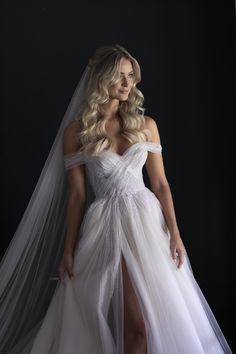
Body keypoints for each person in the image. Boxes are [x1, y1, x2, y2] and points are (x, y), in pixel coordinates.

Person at [0, 45, 232, 354]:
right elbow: (78, 194)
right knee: (137, 326)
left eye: (130, 76)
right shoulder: (77, 131)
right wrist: (67, 250)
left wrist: (175, 233)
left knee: (161, 319)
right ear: (100, 79)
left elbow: (160, 184)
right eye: (119, 76)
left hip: (148, 223)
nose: (127, 83)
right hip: (106, 225)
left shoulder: (146, 126)